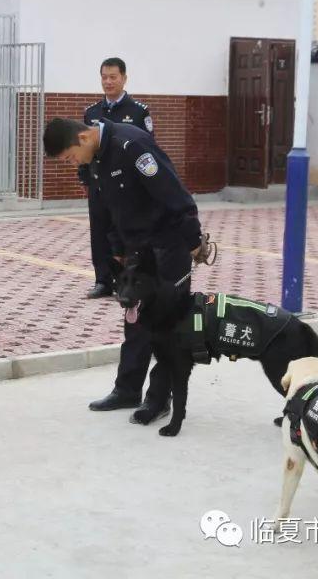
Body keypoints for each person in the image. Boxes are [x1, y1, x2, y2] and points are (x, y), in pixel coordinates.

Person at [44, 116, 203, 425]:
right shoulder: (97, 158)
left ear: (84, 138)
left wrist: (193, 237)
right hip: (138, 250)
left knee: (168, 325)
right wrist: (116, 248)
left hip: (168, 244)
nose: (72, 163)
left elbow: (172, 191)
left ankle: (158, 400)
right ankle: (127, 389)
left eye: (70, 157)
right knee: (135, 316)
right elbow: (108, 207)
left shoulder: (132, 145)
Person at [80, 58, 153, 299]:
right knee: (99, 231)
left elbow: (147, 149)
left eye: (113, 77)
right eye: (104, 77)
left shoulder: (138, 111)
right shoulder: (92, 113)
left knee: (127, 232)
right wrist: (85, 179)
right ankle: (103, 280)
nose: (108, 82)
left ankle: (128, 282)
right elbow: (84, 150)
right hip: (99, 184)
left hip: (127, 187)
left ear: (124, 78)